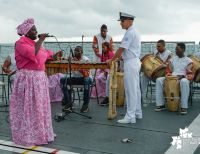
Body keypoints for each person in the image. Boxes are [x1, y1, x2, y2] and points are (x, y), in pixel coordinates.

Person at [9, 18, 61, 146]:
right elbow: (32, 53)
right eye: (33, 30)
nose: (36, 31)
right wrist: (41, 39)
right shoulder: (20, 43)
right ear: (26, 32)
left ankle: (40, 132)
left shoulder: (36, 44)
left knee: (39, 107)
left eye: (36, 29)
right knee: (29, 107)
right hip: (28, 80)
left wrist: (54, 56)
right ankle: (28, 134)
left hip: (39, 80)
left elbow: (44, 56)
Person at [107, 12, 142, 124]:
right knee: (135, 89)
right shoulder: (134, 31)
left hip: (131, 63)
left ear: (129, 21)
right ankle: (137, 112)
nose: (121, 23)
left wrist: (111, 60)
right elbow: (126, 50)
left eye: (122, 21)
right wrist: (118, 58)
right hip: (134, 61)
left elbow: (121, 49)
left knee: (130, 90)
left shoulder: (130, 32)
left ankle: (130, 116)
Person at [155, 43, 193, 114]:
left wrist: (183, 76)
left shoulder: (189, 61)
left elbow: (190, 74)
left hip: (183, 78)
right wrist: (168, 75)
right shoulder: (172, 59)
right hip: (172, 77)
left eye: (178, 49)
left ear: (183, 50)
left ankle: (184, 107)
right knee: (159, 80)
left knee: (184, 82)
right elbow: (168, 70)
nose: (176, 51)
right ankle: (161, 104)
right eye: (175, 49)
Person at [61, 46, 92, 113]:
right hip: (76, 79)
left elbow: (86, 74)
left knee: (86, 80)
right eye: (75, 51)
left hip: (86, 78)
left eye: (77, 51)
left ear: (82, 53)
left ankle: (85, 104)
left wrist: (77, 64)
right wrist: (64, 58)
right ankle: (68, 102)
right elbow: (63, 59)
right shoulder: (72, 58)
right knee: (63, 80)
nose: (75, 53)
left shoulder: (86, 60)